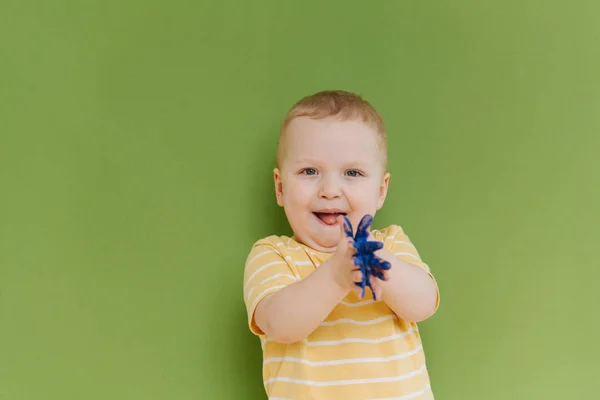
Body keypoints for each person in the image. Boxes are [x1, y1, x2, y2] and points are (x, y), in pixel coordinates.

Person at [242, 90, 440, 399]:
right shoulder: (273, 255)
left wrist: (381, 266)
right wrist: (336, 276)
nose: (330, 190)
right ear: (280, 188)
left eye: (352, 173)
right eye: (310, 171)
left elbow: (424, 304)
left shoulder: (389, 244)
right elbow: (280, 324)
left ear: (380, 190)